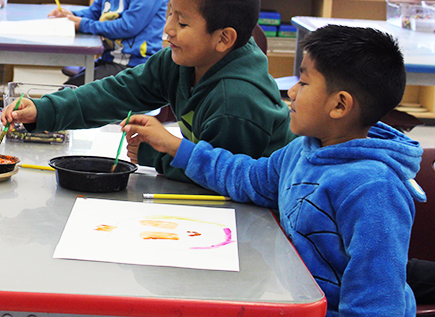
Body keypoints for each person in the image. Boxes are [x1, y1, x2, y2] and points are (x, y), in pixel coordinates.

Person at [122, 24, 424, 317]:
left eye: (304, 83)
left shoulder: (373, 189)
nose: (291, 92)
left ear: (340, 106)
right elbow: (248, 178)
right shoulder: (304, 149)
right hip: (289, 297)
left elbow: (376, 303)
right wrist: (177, 148)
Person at [2, 0, 294, 182]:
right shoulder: (181, 60)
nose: (167, 30)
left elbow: (225, 178)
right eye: (169, 14)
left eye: (182, 22)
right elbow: (118, 93)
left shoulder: (237, 100)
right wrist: (44, 110)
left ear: (223, 38)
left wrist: (159, 155)